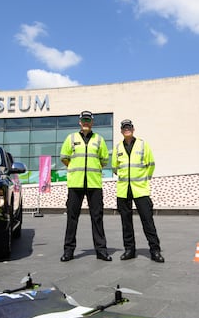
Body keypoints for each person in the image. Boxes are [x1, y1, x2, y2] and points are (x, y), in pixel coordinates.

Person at [59, 110, 111, 261]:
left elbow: (104, 160)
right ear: (80, 122)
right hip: (76, 183)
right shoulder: (71, 138)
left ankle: (101, 251)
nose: (86, 122)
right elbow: (64, 157)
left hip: (94, 183)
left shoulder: (99, 140)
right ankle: (68, 251)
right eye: (84, 120)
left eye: (88, 120)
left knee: (97, 217)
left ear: (92, 122)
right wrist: (76, 169)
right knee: (72, 218)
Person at [112, 119, 164, 262]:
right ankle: (129, 250)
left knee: (147, 221)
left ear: (133, 129)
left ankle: (155, 250)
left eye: (129, 127)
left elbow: (151, 164)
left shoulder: (143, 144)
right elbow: (114, 168)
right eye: (124, 128)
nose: (127, 130)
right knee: (126, 222)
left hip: (140, 190)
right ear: (121, 131)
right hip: (123, 190)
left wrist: (144, 179)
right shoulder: (118, 148)